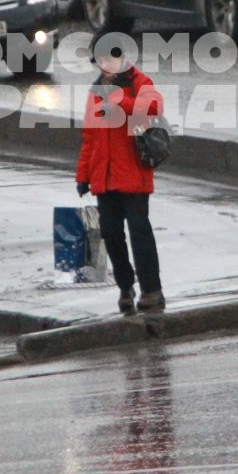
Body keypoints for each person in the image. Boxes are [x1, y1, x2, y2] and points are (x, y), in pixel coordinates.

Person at [75, 41, 165, 315]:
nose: (106, 66)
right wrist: (83, 175)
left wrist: (119, 100)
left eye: (111, 60)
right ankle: (126, 287)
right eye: (100, 61)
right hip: (104, 178)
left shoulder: (140, 81)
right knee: (111, 235)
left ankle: (152, 290)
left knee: (140, 233)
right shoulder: (96, 92)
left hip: (134, 174)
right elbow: (90, 137)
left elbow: (153, 109)